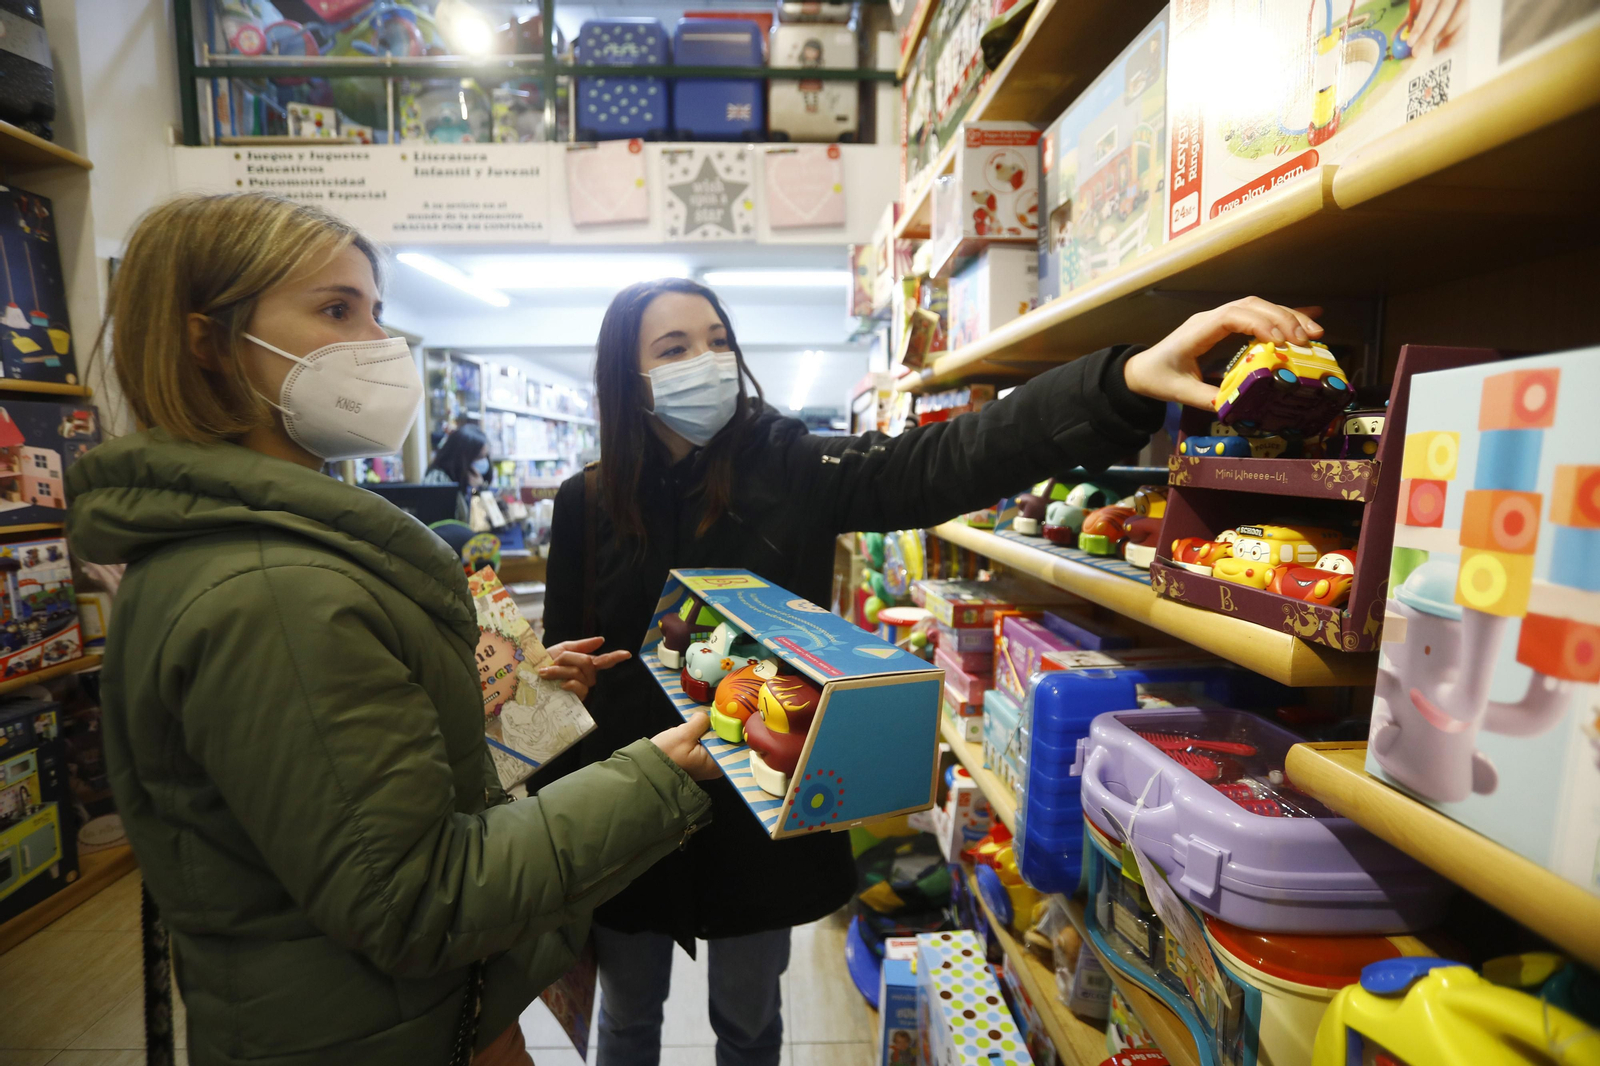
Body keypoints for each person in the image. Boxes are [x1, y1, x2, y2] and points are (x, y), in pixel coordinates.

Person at [540, 277, 1324, 1066]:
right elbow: (563, 664)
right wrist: (553, 696)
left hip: (760, 801)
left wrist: (1115, 381)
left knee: (748, 1022)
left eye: (718, 341)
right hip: (628, 810)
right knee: (629, 1020)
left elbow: (944, 460)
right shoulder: (586, 501)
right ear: (626, 376)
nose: (705, 361)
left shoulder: (788, 466)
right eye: (674, 349)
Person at [64, 193, 724, 1066]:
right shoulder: (276, 590)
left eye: (377, 311)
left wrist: (505, 693)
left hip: (398, 1013)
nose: (380, 344)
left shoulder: (277, 550)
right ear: (207, 342)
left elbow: (347, 784)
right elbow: (417, 898)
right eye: (337, 309)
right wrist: (657, 778)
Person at [426, 421, 492, 522]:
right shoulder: (438, 480)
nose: (483, 462)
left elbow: (485, 519)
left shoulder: (467, 480)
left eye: (485, 457)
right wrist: (475, 492)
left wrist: (478, 490)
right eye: (479, 457)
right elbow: (466, 523)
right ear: (462, 457)